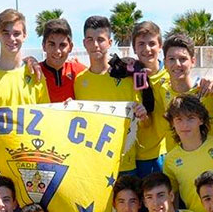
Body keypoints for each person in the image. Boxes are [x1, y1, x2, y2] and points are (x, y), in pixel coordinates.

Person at [73, 15, 148, 176]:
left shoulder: (127, 77)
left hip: (125, 164)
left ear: (110, 43)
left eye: (100, 39)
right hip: (94, 164)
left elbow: (143, 120)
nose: (95, 45)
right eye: (90, 39)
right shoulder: (79, 81)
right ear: (84, 42)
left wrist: (143, 114)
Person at [162, 95, 213, 212]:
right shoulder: (170, 160)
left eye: (191, 118)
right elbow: (173, 200)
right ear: (172, 123)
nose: (185, 125)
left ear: (201, 120)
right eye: (179, 119)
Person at [0, 9, 49, 110]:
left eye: (16, 33)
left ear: (24, 36)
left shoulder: (36, 74)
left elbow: (46, 116)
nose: (11, 38)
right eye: (6, 33)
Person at [158, 33, 213, 150]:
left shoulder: (208, 90)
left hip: (211, 165)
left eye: (183, 59)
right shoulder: (162, 90)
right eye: (171, 59)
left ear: (193, 61)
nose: (177, 64)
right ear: (165, 62)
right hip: (176, 165)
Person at [132, 21, 169, 177]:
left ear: (160, 46)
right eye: (141, 44)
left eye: (152, 43)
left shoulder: (170, 76)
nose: (147, 49)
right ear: (134, 48)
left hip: (163, 154)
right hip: (134, 156)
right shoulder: (129, 75)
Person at [39, 18, 86, 103]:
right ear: (44, 46)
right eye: (52, 44)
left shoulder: (81, 72)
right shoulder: (34, 72)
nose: (57, 51)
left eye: (62, 45)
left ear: (70, 47)